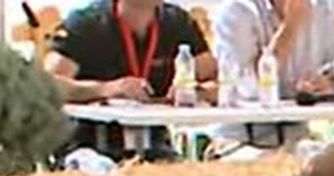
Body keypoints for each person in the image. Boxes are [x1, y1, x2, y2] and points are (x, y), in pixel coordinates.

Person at [44, 0, 218, 159]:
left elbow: (216, 81)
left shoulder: (177, 22)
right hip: (87, 143)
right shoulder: (86, 23)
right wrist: (106, 89)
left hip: (153, 141)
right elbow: (48, 84)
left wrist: (196, 92)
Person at [211, 0, 334, 152]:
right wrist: (291, 25)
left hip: (297, 135)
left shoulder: (330, 11)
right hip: (240, 136)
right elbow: (248, 88)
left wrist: (324, 85)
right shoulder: (235, 12)